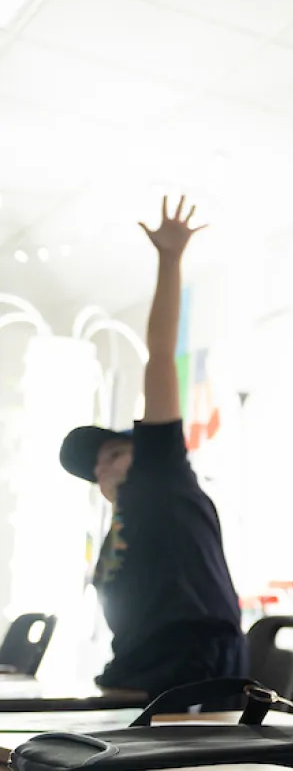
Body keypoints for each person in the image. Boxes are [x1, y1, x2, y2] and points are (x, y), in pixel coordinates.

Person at [58, 196, 247, 701]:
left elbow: (160, 359)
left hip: (189, 669)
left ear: (143, 452)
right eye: (96, 468)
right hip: (138, 671)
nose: (104, 467)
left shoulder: (159, 472)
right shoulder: (123, 523)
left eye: (115, 452)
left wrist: (169, 259)